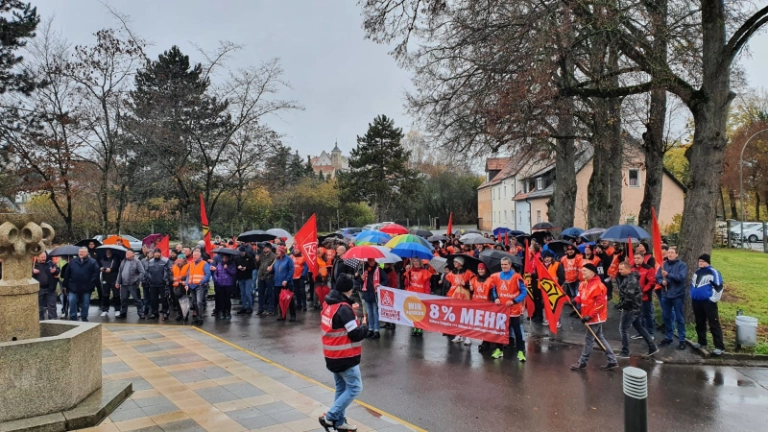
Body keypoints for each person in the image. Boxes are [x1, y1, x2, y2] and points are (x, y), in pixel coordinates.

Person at [319, 274, 368, 432]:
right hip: (344, 356)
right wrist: (364, 326)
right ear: (349, 289)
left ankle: (339, 422)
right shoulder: (344, 309)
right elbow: (355, 334)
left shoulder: (329, 303)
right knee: (355, 387)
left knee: (341, 388)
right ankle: (330, 416)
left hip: (332, 355)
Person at [570, 263, 617, 371]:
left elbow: (601, 304)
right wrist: (574, 301)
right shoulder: (583, 284)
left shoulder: (599, 286)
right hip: (587, 315)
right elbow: (580, 296)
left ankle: (582, 362)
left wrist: (589, 316)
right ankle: (612, 360)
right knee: (599, 337)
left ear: (592, 272)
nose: (582, 272)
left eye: (584, 271)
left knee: (589, 339)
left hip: (595, 317)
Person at [487, 257, 527, 361]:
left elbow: (524, 292)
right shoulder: (496, 276)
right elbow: (494, 289)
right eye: (502, 264)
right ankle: (499, 350)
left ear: (510, 265)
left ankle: (520, 351)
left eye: (506, 264)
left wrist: (514, 301)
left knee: (517, 330)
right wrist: (495, 298)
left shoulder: (517, 277)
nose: (504, 266)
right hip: (501, 309)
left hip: (513, 309)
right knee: (500, 330)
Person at [616, 262, 658, 358]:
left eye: (621, 269)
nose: (619, 271)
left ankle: (625, 351)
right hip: (636, 307)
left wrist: (621, 305)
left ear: (627, 269)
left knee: (623, 329)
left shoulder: (631, 280)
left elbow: (629, 296)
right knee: (639, 327)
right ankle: (652, 347)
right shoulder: (629, 278)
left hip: (630, 308)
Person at [690, 254, 725, 355]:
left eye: (703, 261)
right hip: (696, 301)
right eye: (699, 261)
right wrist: (692, 294)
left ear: (707, 262)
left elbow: (719, 286)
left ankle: (719, 346)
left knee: (713, 323)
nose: (701, 263)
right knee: (699, 322)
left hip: (708, 302)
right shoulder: (697, 272)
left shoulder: (713, 272)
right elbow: (693, 285)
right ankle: (702, 341)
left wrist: (713, 299)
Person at [655, 247, 688, 350]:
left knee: (679, 318)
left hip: (677, 295)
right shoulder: (663, 265)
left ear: (676, 254)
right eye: (668, 252)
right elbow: (658, 277)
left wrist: (668, 275)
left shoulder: (682, 265)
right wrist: (661, 282)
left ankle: (682, 340)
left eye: (672, 253)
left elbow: (681, 278)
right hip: (665, 294)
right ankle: (668, 337)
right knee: (666, 317)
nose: (670, 254)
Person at [62, 247, 100, 322]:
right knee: (72, 301)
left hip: (86, 287)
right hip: (73, 286)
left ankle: (84, 317)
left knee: (85, 303)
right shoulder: (73, 261)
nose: (81, 253)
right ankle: (73, 317)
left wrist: (91, 283)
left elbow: (96, 273)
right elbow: (67, 274)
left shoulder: (92, 262)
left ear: (87, 253)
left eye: (82, 252)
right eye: (80, 252)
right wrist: (65, 285)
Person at [470, 263, 499, 356]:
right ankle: (486, 341)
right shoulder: (474, 279)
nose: (480, 271)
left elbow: (493, 291)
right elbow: (471, 290)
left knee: (487, 324)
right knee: (482, 325)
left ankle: (487, 342)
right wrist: (469, 287)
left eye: (482, 269)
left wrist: (492, 302)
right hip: (476, 305)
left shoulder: (490, 280)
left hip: (487, 305)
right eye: (479, 269)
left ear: (485, 270)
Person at [357, 258, 387, 340]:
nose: (371, 262)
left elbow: (386, 280)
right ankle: (370, 329)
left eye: (373, 260)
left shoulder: (379, 270)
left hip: (375, 293)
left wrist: (380, 284)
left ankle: (376, 331)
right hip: (367, 293)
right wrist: (360, 278)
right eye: (370, 261)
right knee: (369, 312)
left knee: (375, 312)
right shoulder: (365, 270)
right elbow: (360, 282)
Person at [403, 258, 432, 336]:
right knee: (413, 312)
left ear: (420, 263)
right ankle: (415, 327)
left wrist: (426, 295)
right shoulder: (410, 271)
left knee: (420, 312)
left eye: (417, 261)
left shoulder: (424, 272)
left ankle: (420, 328)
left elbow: (426, 285)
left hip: (421, 295)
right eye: (414, 261)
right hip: (412, 295)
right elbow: (406, 284)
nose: (416, 263)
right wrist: (407, 273)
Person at [631, 253, 656, 340]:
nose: (636, 260)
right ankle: (641, 332)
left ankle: (650, 332)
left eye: (638, 258)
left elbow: (652, 282)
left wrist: (643, 290)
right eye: (635, 258)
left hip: (645, 296)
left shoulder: (648, 268)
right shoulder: (632, 268)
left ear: (642, 259)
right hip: (634, 297)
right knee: (638, 315)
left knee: (647, 314)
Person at [115, 250, 145, 319]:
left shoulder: (137, 261)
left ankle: (141, 313)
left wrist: (138, 280)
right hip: (124, 285)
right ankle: (123, 313)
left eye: (129, 253)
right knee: (123, 299)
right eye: (126, 253)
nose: (127, 254)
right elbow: (120, 272)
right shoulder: (123, 261)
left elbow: (142, 272)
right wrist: (117, 282)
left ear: (133, 254)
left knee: (137, 299)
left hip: (133, 284)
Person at [186, 249, 212, 325]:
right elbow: (188, 275)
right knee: (194, 303)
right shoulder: (191, 264)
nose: (194, 257)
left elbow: (208, 274)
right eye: (193, 255)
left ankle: (200, 318)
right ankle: (197, 317)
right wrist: (187, 284)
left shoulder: (204, 263)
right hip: (192, 286)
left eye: (196, 255)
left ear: (200, 256)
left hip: (199, 286)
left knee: (199, 302)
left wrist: (202, 282)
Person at [144, 248, 171, 320]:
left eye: (158, 253)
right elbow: (147, 272)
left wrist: (166, 281)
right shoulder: (150, 261)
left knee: (164, 299)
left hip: (163, 284)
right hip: (153, 284)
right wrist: (149, 279)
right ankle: (154, 313)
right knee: (153, 300)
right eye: (155, 253)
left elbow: (169, 271)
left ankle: (165, 313)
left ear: (160, 253)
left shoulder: (165, 260)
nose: (157, 254)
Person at [271, 245, 296, 322]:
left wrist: (286, 280)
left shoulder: (288, 259)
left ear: (282, 252)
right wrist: (270, 270)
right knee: (280, 300)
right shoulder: (276, 260)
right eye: (276, 251)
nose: (276, 253)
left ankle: (292, 315)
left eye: (278, 251)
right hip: (277, 283)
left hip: (286, 283)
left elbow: (291, 270)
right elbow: (274, 271)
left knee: (290, 299)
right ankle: (282, 315)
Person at [33, 252, 59, 320]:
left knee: (52, 306)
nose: (44, 259)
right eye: (42, 257)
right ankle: (40, 321)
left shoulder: (50, 263)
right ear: (37, 257)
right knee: (39, 306)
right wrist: (32, 271)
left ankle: (53, 321)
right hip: (39, 288)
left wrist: (55, 270)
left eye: (44, 257)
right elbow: (26, 274)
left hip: (50, 288)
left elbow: (58, 270)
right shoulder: (33, 265)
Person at [212, 254, 237, 320]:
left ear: (228, 259)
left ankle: (228, 312)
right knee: (222, 299)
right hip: (220, 284)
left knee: (227, 299)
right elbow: (216, 273)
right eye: (223, 258)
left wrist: (227, 269)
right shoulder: (219, 264)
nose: (224, 259)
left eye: (226, 258)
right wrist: (216, 280)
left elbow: (233, 273)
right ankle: (223, 312)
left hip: (228, 284)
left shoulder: (231, 265)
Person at [99, 249, 121, 317]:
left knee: (116, 294)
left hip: (114, 278)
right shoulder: (102, 259)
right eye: (107, 252)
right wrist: (101, 268)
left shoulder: (116, 258)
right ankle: (105, 310)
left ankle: (117, 309)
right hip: (105, 279)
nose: (108, 253)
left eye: (109, 252)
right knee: (105, 295)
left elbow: (118, 267)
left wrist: (111, 269)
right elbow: (98, 266)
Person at [256, 244, 277, 315]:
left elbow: (275, 267)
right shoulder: (261, 255)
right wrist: (257, 261)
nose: (263, 249)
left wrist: (271, 270)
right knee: (260, 293)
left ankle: (271, 308)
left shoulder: (274, 256)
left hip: (269, 276)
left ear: (269, 248)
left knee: (270, 293)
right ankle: (260, 308)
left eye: (265, 248)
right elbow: (257, 266)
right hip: (261, 276)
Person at [235, 246, 256, 315]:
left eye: (243, 252)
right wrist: (238, 267)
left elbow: (253, 266)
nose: (242, 253)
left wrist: (246, 268)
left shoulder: (249, 258)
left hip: (248, 277)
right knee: (242, 293)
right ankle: (244, 307)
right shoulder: (237, 258)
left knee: (247, 293)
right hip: (241, 277)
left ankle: (250, 307)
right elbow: (235, 266)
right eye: (241, 252)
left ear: (245, 252)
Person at [170, 254, 190, 321]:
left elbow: (189, 275)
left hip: (184, 286)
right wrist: (172, 278)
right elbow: (171, 275)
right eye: (178, 259)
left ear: (184, 259)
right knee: (177, 302)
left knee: (184, 301)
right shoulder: (174, 266)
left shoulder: (188, 265)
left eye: (181, 259)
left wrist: (182, 278)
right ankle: (179, 315)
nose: (179, 260)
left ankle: (185, 315)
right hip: (176, 286)